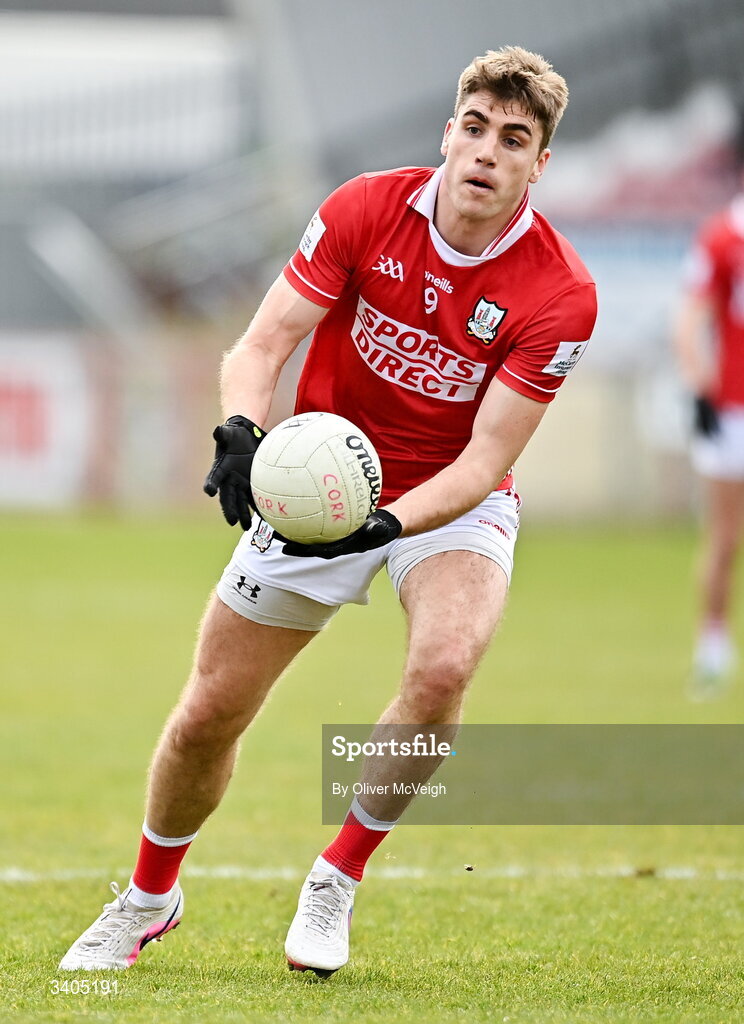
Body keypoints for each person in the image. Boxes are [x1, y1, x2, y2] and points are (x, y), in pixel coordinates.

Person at [60, 45, 596, 976]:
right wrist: (239, 428)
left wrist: (388, 525)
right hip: (320, 482)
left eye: (514, 140)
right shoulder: (363, 208)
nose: (486, 152)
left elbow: (486, 462)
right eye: (474, 128)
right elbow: (265, 340)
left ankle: (337, 877)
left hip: (446, 505)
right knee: (208, 714)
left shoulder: (560, 293)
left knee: (444, 666)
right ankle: (148, 898)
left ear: (537, 166)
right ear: (448, 131)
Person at [674, 169, 744, 699]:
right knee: (725, 537)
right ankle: (713, 647)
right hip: (733, 410)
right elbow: (691, 315)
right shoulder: (724, 236)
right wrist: (699, 385)